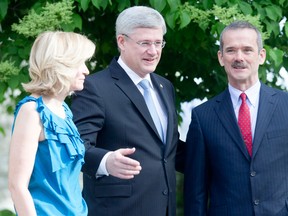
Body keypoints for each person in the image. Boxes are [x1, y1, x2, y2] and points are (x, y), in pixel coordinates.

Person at [71, 6, 184, 216]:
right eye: (145, 43)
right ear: (121, 42)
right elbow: (75, 146)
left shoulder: (165, 86)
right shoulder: (94, 87)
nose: (153, 51)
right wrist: (106, 161)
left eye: (158, 43)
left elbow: (170, 151)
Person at [184, 20, 288, 216]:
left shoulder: (286, 105)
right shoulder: (203, 116)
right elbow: (195, 192)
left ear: (261, 55)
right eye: (231, 50)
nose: (239, 57)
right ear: (221, 57)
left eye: (247, 50)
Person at [8, 31, 95, 216]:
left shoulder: (64, 110)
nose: (86, 70)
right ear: (60, 64)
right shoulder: (32, 111)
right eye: (80, 63)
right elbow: (17, 186)